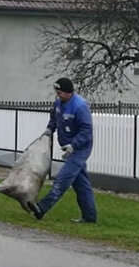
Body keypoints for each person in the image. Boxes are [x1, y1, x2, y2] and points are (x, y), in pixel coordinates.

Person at [29, 77, 97, 223]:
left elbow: (86, 130)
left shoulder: (80, 106)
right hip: (68, 147)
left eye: (60, 93)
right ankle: (90, 217)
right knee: (81, 184)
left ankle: (41, 208)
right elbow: (54, 118)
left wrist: (74, 145)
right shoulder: (59, 103)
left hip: (80, 149)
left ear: (68, 92)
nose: (57, 95)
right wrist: (49, 129)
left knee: (63, 178)